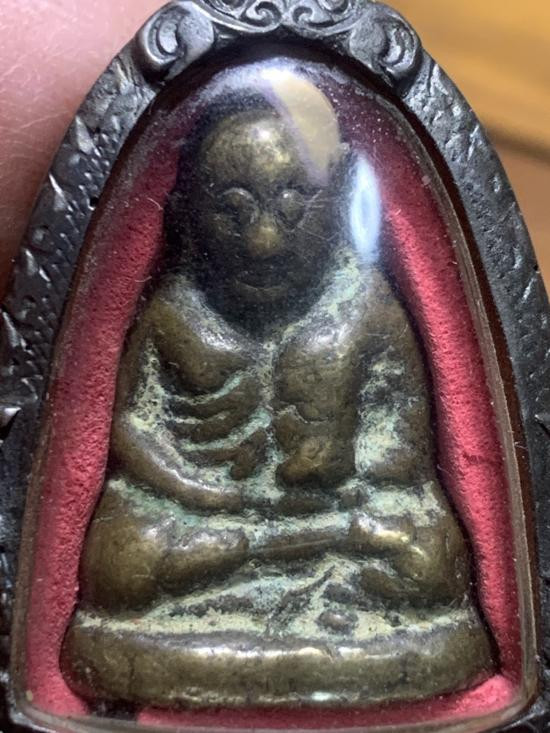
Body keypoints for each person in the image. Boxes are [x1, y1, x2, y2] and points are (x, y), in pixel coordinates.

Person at [61, 75, 493, 709]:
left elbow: (403, 443)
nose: (263, 242)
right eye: (232, 211)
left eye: (293, 204)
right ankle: (290, 574)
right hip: (202, 516)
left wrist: (352, 473)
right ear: (187, 212)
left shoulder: (367, 306)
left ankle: (274, 573)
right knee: (120, 562)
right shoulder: (174, 311)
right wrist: (195, 489)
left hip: (338, 512)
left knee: (429, 557)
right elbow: (131, 428)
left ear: (340, 192)